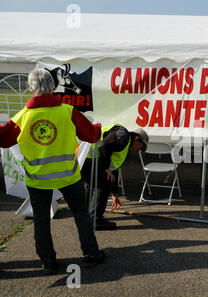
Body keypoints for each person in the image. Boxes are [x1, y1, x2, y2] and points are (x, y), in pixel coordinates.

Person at [0, 68, 106, 274]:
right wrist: (98, 127)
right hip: (68, 175)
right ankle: (91, 254)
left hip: (38, 179)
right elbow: (92, 136)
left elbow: (4, 140)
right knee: (80, 214)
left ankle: (48, 261)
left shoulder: (22, 117)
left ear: (31, 88)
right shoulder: (68, 111)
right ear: (53, 86)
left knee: (40, 219)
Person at [81, 124, 149, 230]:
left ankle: (85, 216)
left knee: (93, 184)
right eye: (141, 147)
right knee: (102, 185)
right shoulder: (124, 137)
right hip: (89, 158)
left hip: (85, 157)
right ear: (137, 138)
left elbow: (113, 171)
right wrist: (105, 167)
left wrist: (114, 194)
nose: (139, 151)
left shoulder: (124, 145)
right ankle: (96, 220)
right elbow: (105, 146)